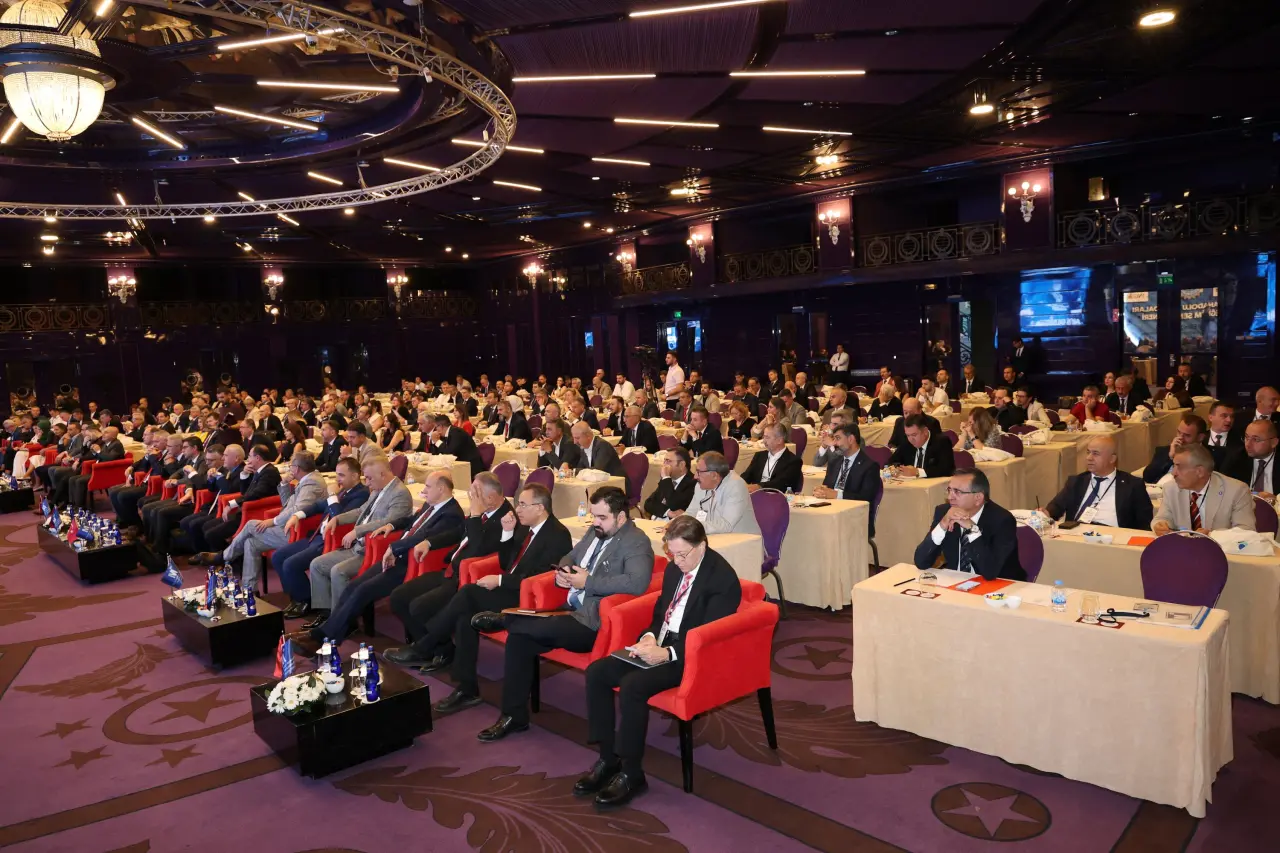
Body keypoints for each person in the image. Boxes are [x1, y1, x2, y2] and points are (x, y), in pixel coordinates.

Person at [463, 486, 656, 739]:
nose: (595, 523)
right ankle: (514, 716)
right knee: (519, 640)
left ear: (621, 517)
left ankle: (507, 619)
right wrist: (563, 572)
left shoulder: (636, 541)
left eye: (602, 517)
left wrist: (588, 582)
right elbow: (569, 556)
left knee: (537, 625)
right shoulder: (596, 531)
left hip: (593, 621)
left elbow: (636, 583)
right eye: (594, 516)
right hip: (569, 610)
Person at [577, 515, 741, 808]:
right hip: (662, 644)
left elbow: (709, 634)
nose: (677, 561)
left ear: (702, 546)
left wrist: (668, 653)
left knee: (632, 686)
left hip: (690, 656)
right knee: (598, 672)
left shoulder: (722, 579)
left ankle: (631, 774)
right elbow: (661, 612)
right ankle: (608, 758)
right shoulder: (676, 568)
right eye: (671, 553)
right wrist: (650, 637)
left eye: (683, 554)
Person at [383, 483, 572, 672]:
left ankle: (423, 647)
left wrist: (500, 580)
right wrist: (507, 532)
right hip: (508, 587)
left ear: (539, 508)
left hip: (525, 598)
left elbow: (539, 576)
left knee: (467, 593)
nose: (518, 509)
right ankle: (465, 684)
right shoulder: (524, 528)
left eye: (523, 504)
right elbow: (505, 563)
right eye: (518, 504)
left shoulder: (558, 535)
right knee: (464, 616)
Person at [299, 470, 465, 651]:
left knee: (363, 590)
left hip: (411, 563)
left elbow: (423, 537)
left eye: (428, 486)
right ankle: (329, 634)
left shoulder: (451, 514)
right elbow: (411, 520)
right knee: (353, 586)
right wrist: (391, 525)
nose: (423, 490)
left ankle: (324, 637)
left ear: (441, 489)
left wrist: (394, 547)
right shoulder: (430, 505)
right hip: (398, 556)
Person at [388, 472, 511, 652]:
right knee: (398, 598)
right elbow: (459, 531)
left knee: (419, 607)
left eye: (474, 494)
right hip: (450, 570)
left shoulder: (505, 520)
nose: (471, 499)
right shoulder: (484, 511)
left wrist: (475, 515)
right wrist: (430, 542)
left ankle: (431, 650)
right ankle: (438, 650)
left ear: (490, 498)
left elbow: (478, 550)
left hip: (465, 579)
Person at [302, 459, 413, 630]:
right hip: (358, 546)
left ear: (382, 474)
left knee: (338, 571)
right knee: (317, 564)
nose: (366, 483)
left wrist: (357, 531)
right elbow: (361, 511)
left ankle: (343, 622)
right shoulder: (378, 489)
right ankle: (327, 614)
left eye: (369, 478)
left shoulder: (400, 494)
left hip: (374, 550)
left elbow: (389, 521)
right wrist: (338, 519)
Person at [197, 451, 328, 590]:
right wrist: (284, 484)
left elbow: (297, 509)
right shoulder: (308, 479)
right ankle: (249, 589)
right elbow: (286, 504)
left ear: (296, 468)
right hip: (288, 526)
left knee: (250, 525)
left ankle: (224, 556)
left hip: (297, 531)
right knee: (250, 542)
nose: (290, 468)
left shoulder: (311, 483)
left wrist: (273, 521)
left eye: (291, 466)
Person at [274, 456, 370, 618]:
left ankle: (306, 601)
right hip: (317, 536)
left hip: (331, 540)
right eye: (337, 474)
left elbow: (339, 518)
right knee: (278, 556)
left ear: (355, 476)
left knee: (291, 564)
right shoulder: (343, 490)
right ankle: (297, 597)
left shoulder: (361, 495)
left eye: (341, 475)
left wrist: (332, 495)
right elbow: (318, 506)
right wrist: (298, 515)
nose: (337, 479)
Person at [913, 468, 1024, 581]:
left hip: (1000, 585)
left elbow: (990, 572)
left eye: (957, 492)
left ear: (978, 498)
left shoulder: (1002, 520)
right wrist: (942, 525)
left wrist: (972, 529)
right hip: (956, 582)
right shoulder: (944, 512)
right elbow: (921, 562)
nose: (950, 497)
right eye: (949, 490)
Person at [188, 443, 283, 555]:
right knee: (206, 526)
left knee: (211, 534)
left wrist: (231, 504)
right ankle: (218, 557)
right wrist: (244, 474)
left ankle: (225, 560)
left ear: (257, 458)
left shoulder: (269, 472)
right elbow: (245, 492)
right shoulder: (259, 470)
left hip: (254, 513)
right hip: (244, 511)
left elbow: (256, 494)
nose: (248, 459)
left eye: (250, 456)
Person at [1043, 435, 1153, 529]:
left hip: (1113, 537)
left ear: (1112, 459)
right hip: (1077, 534)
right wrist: (1045, 513)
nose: (1089, 458)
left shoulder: (1133, 485)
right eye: (1088, 452)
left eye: (1095, 453)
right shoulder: (1076, 482)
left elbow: (1145, 523)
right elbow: (1055, 508)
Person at [1153, 443, 1255, 535]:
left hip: (1221, 549)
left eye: (1179, 467)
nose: (1173, 473)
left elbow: (1246, 531)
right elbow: (1161, 518)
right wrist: (1160, 525)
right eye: (1174, 466)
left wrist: (1213, 535)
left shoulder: (1237, 490)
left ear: (1200, 472)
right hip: (1183, 548)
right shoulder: (1171, 488)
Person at [671, 451, 752, 534]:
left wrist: (690, 527)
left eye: (698, 472)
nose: (695, 476)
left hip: (741, 538)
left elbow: (726, 525)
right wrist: (676, 523)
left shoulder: (735, 485)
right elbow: (691, 512)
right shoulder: (701, 485)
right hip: (711, 535)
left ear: (714, 475)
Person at [65, 426, 125, 508]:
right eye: (103, 432)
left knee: (79, 481)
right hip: (98, 470)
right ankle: (72, 504)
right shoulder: (106, 444)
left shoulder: (117, 444)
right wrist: (93, 451)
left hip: (107, 473)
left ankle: (80, 507)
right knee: (72, 479)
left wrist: (98, 451)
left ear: (113, 436)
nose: (103, 434)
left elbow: (110, 458)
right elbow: (97, 456)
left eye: (106, 432)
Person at [1143, 413, 1207, 484]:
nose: (1180, 438)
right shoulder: (1164, 451)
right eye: (1179, 432)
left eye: (1187, 435)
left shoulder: (1209, 456)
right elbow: (1147, 477)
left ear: (1200, 437)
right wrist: (1170, 457)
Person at [888, 414, 956, 479]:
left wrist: (918, 472)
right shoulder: (907, 442)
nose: (911, 439)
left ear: (925, 432)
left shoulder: (941, 442)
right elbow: (891, 462)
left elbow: (946, 469)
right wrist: (898, 468)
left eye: (914, 435)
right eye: (908, 435)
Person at [741, 423, 803, 493]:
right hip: (755, 496)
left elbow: (781, 484)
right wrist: (739, 482)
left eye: (767, 437)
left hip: (778, 497)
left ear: (779, 440)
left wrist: (759, 487)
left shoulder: (793, 461)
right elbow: (746, 475)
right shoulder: (759, 456)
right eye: (764, 437)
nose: (764, 441)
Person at [1223, 420, 1278, 499]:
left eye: (1256, 439)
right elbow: (1224, 489)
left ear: (1273, 442)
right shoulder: (1236, 458)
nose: (1248, 444)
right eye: (1246, 437)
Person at [642, 447, 695, 520]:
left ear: (682, 465)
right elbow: (648, 503)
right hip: (656, 521)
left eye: (668, 461)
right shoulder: (667, 480)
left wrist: (666, 477)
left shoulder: (693, 483)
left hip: (674, 524)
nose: (664, 464)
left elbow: (673, 505)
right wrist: (668, 512)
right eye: (664, 460)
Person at [428, 413, 484, 478]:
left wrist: (437, 441)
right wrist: (435, 441)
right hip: (459, 465)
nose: (436, 430)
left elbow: (450, 453)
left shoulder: (456, 432)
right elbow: (438, 452)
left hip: (470, 468)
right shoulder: (447, 434)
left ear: (441, 426)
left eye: (436, 427)